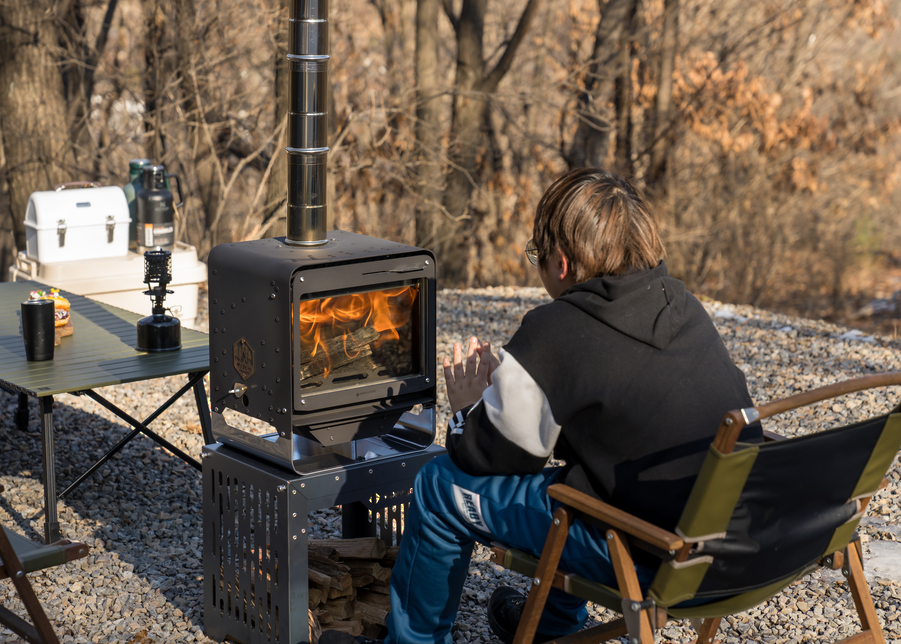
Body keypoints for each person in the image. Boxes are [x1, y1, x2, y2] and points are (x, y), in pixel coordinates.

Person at [320, 168, 762, 644]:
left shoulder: (558, 330)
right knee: (579, 480)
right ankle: (549, 626)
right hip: (744, 547)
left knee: (437, 486)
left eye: (537, 255)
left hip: (660, 560)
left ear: (562, 263)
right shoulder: (682, 304)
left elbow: (498, 461)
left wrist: (467, 411)